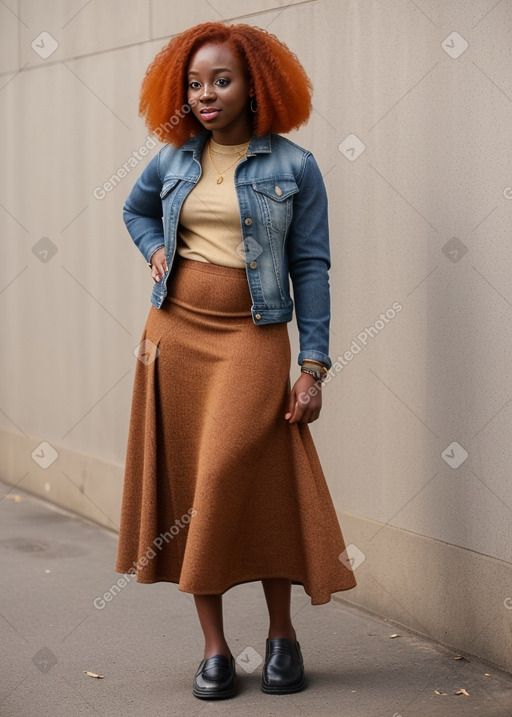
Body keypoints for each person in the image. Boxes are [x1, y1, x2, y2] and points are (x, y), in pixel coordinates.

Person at [114, 20, 357, 701]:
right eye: (194, 84)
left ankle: (282, 634)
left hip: (253, 339)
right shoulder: (172, 158)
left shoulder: (293, 166)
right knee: (195, 487)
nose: (205, 95)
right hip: (174, 339)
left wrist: (313, 367)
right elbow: (135, 212)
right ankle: (215, 648)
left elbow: (311, 265)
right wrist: (154, 250)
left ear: (257, 85)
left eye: (221, 80)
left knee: (237, 474)